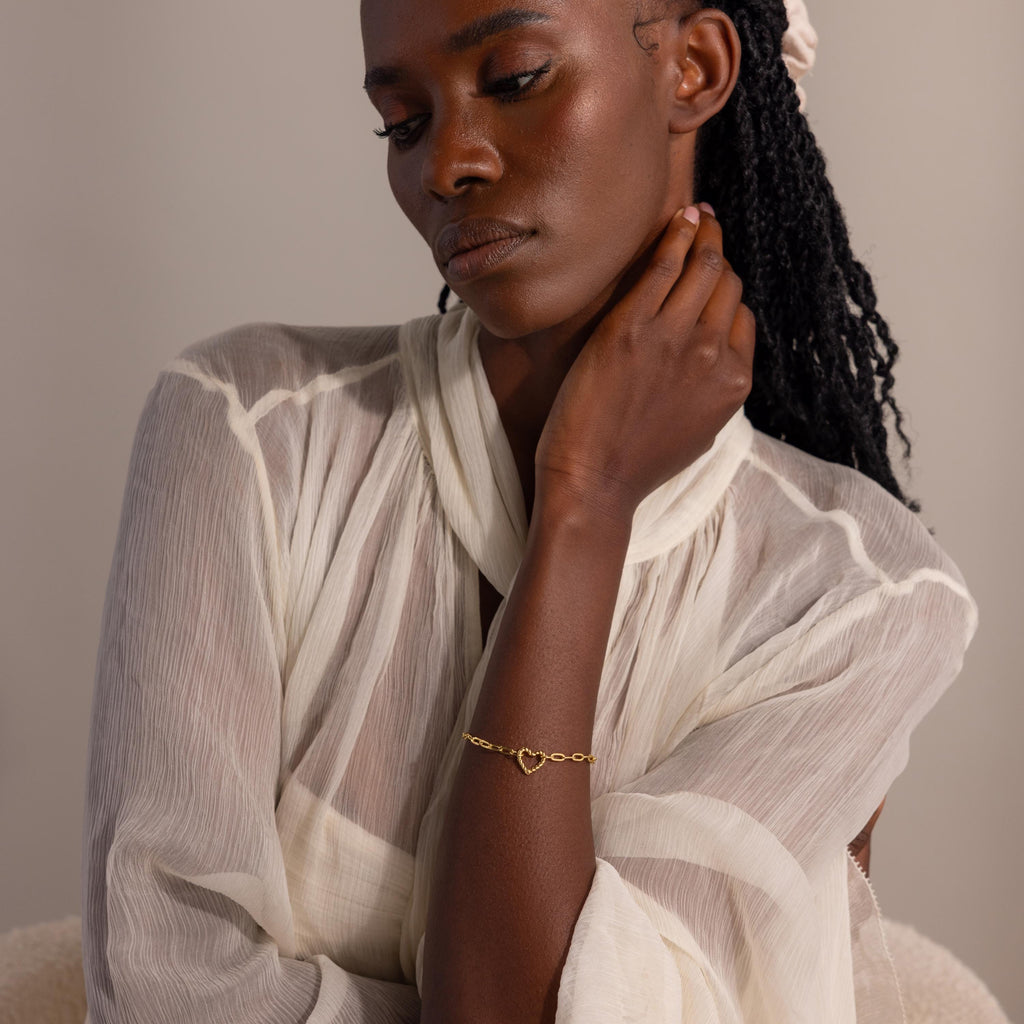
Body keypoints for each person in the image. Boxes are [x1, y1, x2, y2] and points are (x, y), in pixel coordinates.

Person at [80, 0, 977, 1021]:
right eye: (402, 121)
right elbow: (161, 987)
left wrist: (584, 507)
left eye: (512, 81)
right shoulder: (246, 431)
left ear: (693, 67)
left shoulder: (860, 598)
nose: (445, 165)